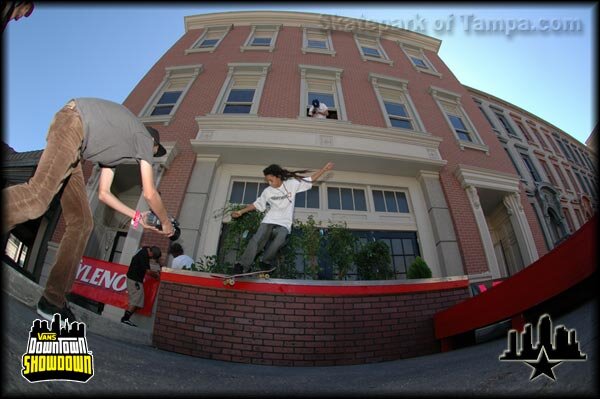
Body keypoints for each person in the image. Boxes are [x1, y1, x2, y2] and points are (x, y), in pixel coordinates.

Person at [2, 97, 175, 324]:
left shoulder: (114, 153)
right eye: (153, 152)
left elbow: (104, 193)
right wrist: (166, 222)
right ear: (152, 143)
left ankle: (52, 300)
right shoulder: (143, 137)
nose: (149, 157)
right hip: (73, 122)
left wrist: (135, 216)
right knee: (38, 198)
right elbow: (150, 193)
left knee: (82, 222)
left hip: (75, 143)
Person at [231, 162, 334, 274]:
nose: (270, 183)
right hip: (269, 220)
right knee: (257, 239)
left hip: (284, 222)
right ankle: (242, 265)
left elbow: (310, 179)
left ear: (278, 177)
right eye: (268, 181)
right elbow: (256, 204)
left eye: (271, 180)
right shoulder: (267, 192)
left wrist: (323, 169)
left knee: (279, 240)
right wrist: (241, 212)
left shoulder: (291, 184)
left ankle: (265, 262)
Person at [121, 246, 162, 327]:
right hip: (134, 279)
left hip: (133, 278)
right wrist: (157, 275)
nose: (151, 258)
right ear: (151, 253)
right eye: (152, 256)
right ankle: (125, 319)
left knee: (137, 300)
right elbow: (148, 271)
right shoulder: (144, 255)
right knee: (136, 299)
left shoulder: (143, 249)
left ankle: (126, 318)